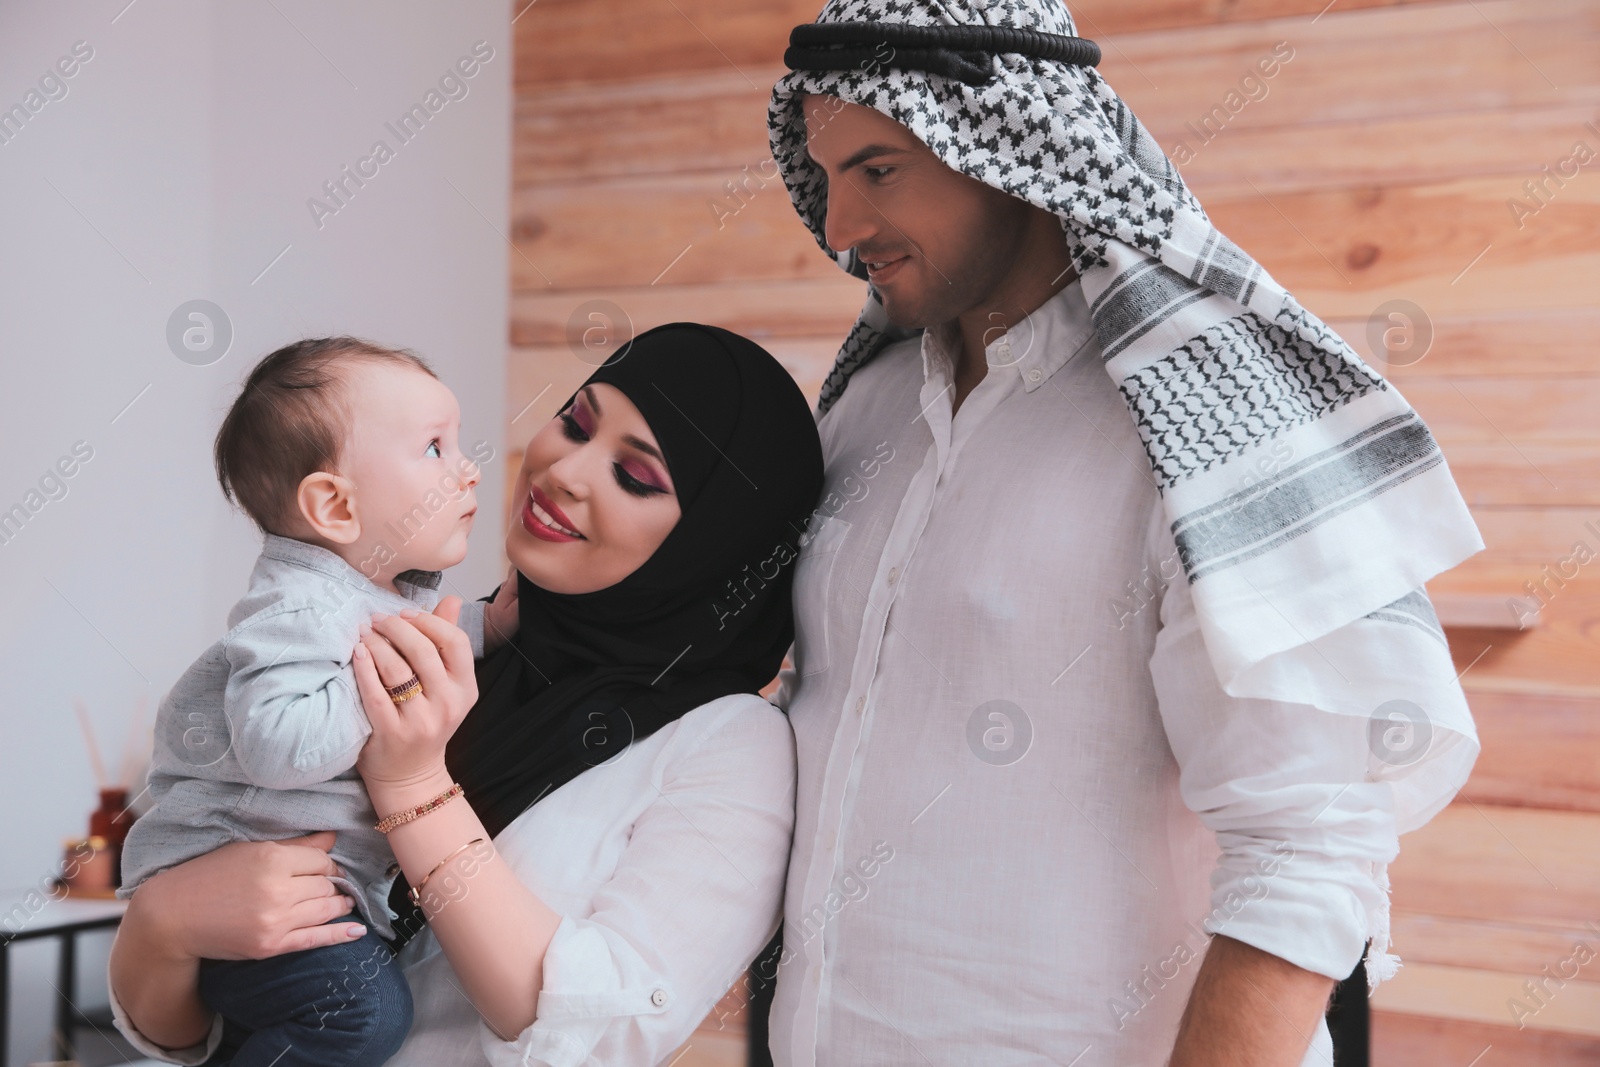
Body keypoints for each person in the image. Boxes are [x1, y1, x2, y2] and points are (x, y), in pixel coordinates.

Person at [756, 2, 1482, 1065]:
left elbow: (1307, 848)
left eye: (877, 169)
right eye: (823, 178)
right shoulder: (861, 413)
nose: (837, 227)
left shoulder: (1206, 423)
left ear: (998, 140)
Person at [108, 323, 826, 1067]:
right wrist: (164, 923)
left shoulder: (729, 745)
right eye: (575, 422)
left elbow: (604, 1032)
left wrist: (411, 783)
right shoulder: (443, 638)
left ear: (711, 544)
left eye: (636, 476)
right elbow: (200, 1037)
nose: (566, 470)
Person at [117, 336, 492, 1067]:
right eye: (435, 450)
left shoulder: (367, 592)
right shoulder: (296, 606)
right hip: (227, 874)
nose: (468, 467)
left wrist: (495, 621)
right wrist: (391, 687)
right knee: (361, 1015)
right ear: (334, 505)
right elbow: (277, 743)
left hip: (304, 892)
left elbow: (433, 628)